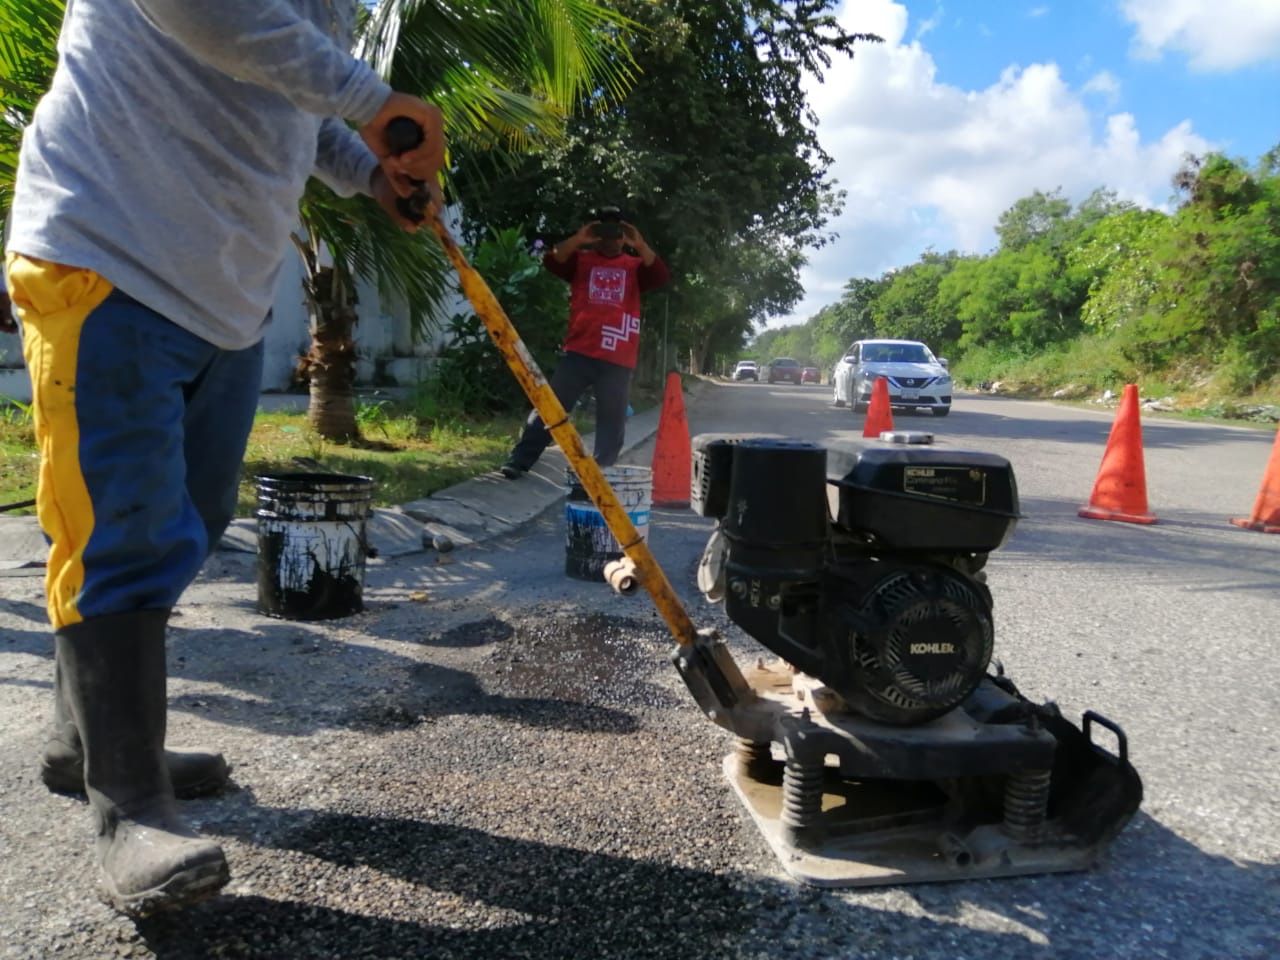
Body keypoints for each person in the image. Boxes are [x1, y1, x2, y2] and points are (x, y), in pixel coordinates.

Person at [3, 1, 444, 915]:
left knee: (191, 521)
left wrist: (369, 171)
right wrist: (369, 97)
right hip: (107, 255)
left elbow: (287, 101)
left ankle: (84, 743)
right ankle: (130, 806)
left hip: (224, 300)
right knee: (120, 532)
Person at [501, 207, 670, 478]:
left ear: (624, 236)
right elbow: (553, 260)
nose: (610, 238)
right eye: (604, 231)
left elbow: (660, 275)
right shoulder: (581, 261)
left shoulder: (634, 267)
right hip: (579, 351)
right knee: (551, 408)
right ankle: (518, 461)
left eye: (616, 232)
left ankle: (599, 474)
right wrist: (579, 238)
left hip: (618, 357)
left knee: (612, 421)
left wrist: (639, 243)